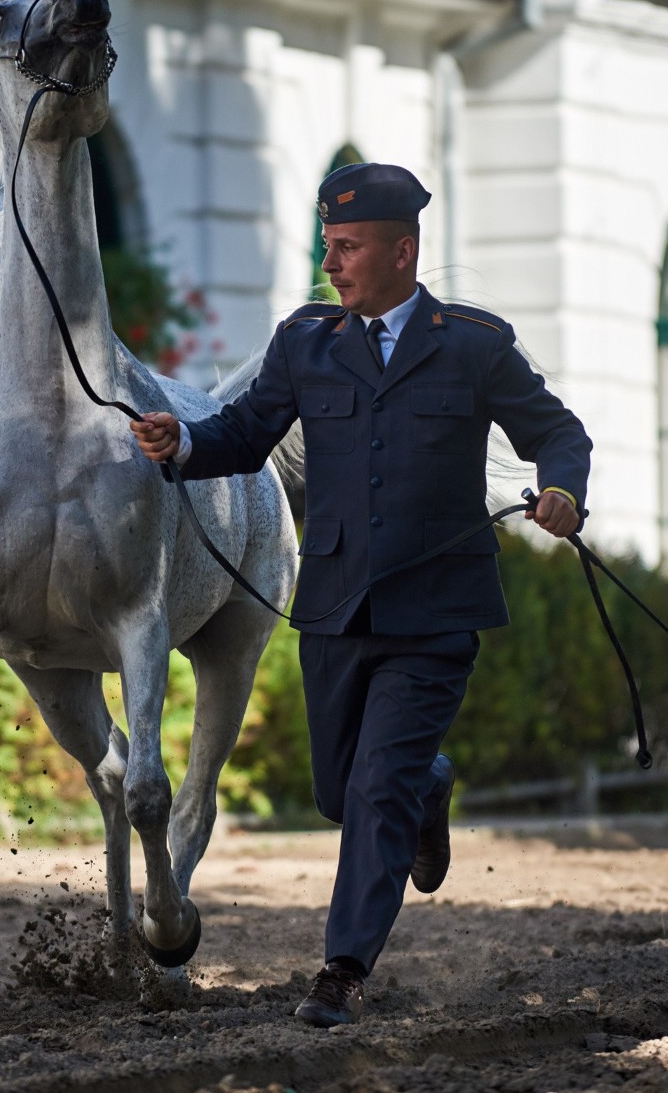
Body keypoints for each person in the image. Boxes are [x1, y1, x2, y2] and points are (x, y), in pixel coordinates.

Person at [130, 163, 591, 1028]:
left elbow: (558, 432)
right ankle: (429, 784)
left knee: (375, 788)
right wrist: (182, 442)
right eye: (327, 246)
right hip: (335, 606)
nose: (331, 263)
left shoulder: (474, 345)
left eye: (346, 248)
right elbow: (244, 433)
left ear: (401, 249)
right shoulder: (305, 343)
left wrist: (562, 490)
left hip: (438, 611)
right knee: (343, 793)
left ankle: (341, 970)